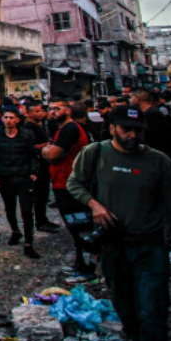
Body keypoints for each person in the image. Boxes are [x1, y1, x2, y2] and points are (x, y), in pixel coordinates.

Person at [67, 106, 171, 341]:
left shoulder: (158, 162)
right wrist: (94, 205)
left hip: (150, 246)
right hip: (113, 246)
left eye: (138, 130)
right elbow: (74, 183)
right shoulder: (95, 154)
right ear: (112, 128)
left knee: (153, 309)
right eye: (127, 129)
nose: (133, 135)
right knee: (124, 304)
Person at [44, 100, 96, 281]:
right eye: (50, 109)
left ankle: (88, 269)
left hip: (71, 186)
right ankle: (81, 264)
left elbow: (51, 154)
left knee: (81, 228)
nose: (52, 112)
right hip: (63, 184)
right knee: (75, 229)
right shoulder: (63, 129)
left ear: (67, 110)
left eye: (57, 109)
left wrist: (46, 150)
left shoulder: (70, 129)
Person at [0, 106, 41, 258]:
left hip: (23, 177)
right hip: (6, 177)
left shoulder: (26, 135)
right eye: (6, 117)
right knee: (9, 208)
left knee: (27, 210)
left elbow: (33, 155)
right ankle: (15, 231)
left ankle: (29, 242)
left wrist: (33, 172)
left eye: (11, 117)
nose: (8, 120)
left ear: (17, 120)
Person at [23, 101, 61, 233]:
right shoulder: (29, 128)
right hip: (37, 164)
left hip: (44, 163)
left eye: (41, 111)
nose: (40, 113)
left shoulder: (41, 125)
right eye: (36, 111)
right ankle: (40, 222)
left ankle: (43, 219)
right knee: (39, 194)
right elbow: (29, 147)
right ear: (29, 113)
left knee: (44, 194)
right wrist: (46, 144)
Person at [133, 88, 171, 158]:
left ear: (138, 98)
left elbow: (156, 137)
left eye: (131, 97)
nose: (130, 100)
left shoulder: (152, 114)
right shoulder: (149, 112)